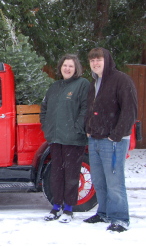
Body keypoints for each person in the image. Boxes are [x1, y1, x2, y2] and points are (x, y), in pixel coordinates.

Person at [83, 47, 138, 232]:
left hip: (113, 141)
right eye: (92, 60)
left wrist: (116, 135)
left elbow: (130, 111)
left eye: (99, 59)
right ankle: (104, 212)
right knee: (99, 180)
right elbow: (90, 109)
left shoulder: (121, 80)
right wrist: (88, 129)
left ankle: (120, 218)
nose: (95, 63)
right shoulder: (95, 82)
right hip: (96, 139)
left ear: (107, 60)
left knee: (114, 182)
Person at [40, 54, 90, 223]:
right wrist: (47, 128)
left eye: (71, 66)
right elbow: (44, 109)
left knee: (71, 174)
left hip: (74, 139)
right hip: (55, 138)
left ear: (76, 68)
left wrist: (78, 128)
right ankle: (56, 206)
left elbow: (86, 109)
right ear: (60, 67)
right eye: (65, 65)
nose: (67, 68)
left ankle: (68, 208)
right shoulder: (54, 86)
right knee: (56, 174)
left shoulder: (82, 85)